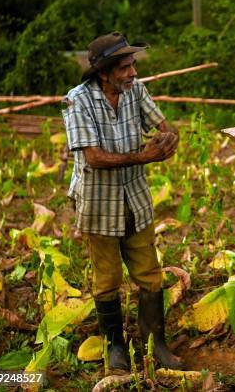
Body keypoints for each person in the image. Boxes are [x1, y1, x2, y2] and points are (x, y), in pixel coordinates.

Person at [62, 32, 182, 370]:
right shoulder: (77, 101)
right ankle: (115, 348)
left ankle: (155, 344)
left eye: (133, 65)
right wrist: (144, 157)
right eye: (125, 67)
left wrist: (168, 138)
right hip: (98, 201)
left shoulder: (135, 91)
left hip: (135, 198)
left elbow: (163, 125)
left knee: (150, 274)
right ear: (104, 72)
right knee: (107, 279)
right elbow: (94, 158)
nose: (132, 73)